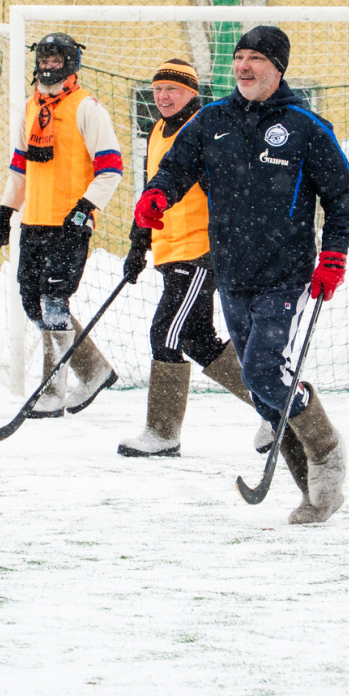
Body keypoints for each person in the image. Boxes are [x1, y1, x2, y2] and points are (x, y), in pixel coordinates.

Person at [136, 26, 349, 524]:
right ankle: (313, 493)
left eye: (256, 58)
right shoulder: (211, 120)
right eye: (239, 57)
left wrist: (335, 256)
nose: (243, 66)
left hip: (286, 273)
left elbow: (341, 197)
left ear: (277, 67)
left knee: (261, 369)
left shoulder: (305, 125)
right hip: (232, 270)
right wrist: (157, 196)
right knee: (263, 387)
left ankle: (326, 457)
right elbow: (175, 169)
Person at [118, 59, 265, 458]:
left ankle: (162, 434)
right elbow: (155, 189)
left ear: (192, 93)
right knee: (197, 340)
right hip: (171, 249)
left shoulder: (205, 129)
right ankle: (278, 405)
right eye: (159, 89)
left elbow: (230, 191)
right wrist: (138, 244)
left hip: (200, 250)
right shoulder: (156, 132)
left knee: (164, 333)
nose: (164, 97)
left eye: (174, 89)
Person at [0, 32, 124, 418]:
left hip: (69, 224)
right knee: (32, 302)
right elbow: (21, 166)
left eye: (56, 60)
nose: (49, 66)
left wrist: (85, 209)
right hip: (34, 221)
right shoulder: (31, 108)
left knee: (54, 302)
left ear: (72, 65)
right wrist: (5, 210)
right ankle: (94, 369)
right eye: (44, 60)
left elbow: (111, 169)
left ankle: (52, 391)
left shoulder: (87, 108)